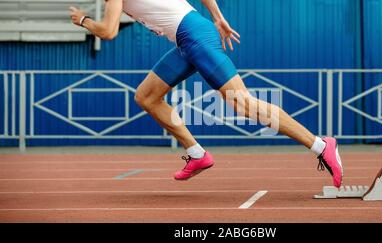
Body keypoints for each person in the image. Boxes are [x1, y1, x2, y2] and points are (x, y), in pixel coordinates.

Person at [69, 0, 343, 187]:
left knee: (243, 103)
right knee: (146, 97)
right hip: (188, 39)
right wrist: (218, 17)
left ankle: (321, 145)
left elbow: (107, 31)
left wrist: (83, 20)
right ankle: (197, 153)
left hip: (194, 37)